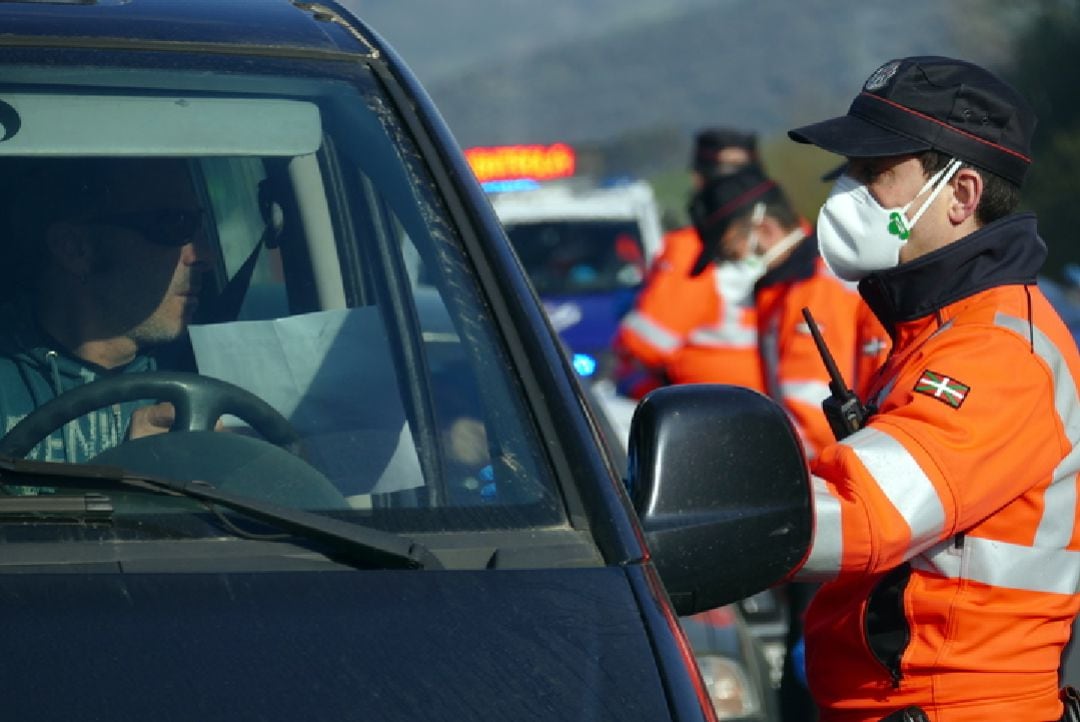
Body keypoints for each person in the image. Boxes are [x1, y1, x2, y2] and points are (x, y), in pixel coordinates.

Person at [785, 55, 1080, 721]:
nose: (845, 195)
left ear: (962, 195)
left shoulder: (998, 351)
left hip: (953, 708)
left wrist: (704, 520)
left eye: (872, 174)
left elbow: (863, 515)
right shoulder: (939, 329)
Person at [0, 157, 211, 463]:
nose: (206, 255)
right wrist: (130, 483)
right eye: (174, 224)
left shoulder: (206, 371)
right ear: (74, 249)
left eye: (199, 225)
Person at [613, 127, 765, 399]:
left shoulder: (692, 248)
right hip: (791, 408)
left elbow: (647, 342)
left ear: (698, 180)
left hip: (714, 408)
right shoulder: (795, 236)